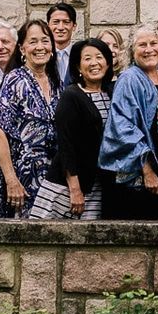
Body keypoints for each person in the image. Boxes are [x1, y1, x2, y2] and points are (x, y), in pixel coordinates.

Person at [98, 25, 158, 220]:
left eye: (154, 43)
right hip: (136, 176)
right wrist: (147, 170)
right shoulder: (129, 79)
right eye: (141, 45)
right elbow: (123, 128)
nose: (148, 49)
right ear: (132, 52)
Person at [0, 19, 59, 218]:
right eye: (33, 41)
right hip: (21, 179)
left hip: (51, 180)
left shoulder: (57, 83)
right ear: (22, 48)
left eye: (45, 41)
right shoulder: (15, 79)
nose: (40, 47)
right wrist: (11, 180)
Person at [52, 37, 116, 221]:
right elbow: (66, 145)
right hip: (71, 185)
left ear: (108, 62)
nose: (94, 63)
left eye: (99, 57)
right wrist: (75, 189)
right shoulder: (71, 95)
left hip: (99, 181)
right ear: (78, 67)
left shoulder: (113, 92)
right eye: (87, 59)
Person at [47, 2, 79, 87]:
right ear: (48, 26)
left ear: (74, 26)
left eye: (66, 22)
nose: (60, 27)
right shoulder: (42, 55)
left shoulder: (80, 55)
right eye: (56, 22)